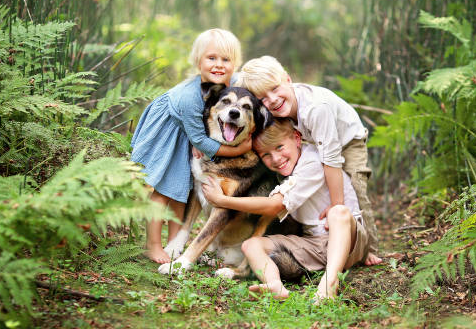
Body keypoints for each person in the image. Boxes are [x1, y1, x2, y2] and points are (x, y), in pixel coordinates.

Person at [235, 56, 382, 266]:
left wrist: (336, 205)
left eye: (275, 88)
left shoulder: (315, 108)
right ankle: (312, 235)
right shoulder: (277, 111)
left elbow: (331, 159)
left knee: (356, 187)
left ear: (287, 79)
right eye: (263, 98)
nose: (273, 99)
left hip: (347, 139)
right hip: (311, 136)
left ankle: (368, 248)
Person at [202, 118, 368, 300]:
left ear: (297, 138)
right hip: (314, 243)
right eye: (265, 155)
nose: (276, 159)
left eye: (279, 147)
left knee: (338, 212)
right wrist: (200, 145)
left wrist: (222, 200)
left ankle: (329, 283)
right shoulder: (284, 169)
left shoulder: (312, 162)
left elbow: (274, 206)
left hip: (348, 239)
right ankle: (274, 285)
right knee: (251, 245)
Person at [131, 28, 252, 264]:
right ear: (198, 61)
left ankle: (175, 244)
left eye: (226, 60)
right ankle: (152, 245)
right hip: (171, 132)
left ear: (235, 63)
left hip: (194, 130)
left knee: (183, 190)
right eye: (211, 58)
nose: (219, 65)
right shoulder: (189, 97)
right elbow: (200, 141)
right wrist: (238, 150)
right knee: (164, 190)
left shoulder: (234, 83)